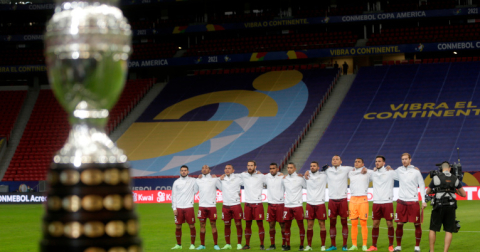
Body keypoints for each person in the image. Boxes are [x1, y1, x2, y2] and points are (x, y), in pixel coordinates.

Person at [426, 161, 466, 252]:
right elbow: (463, 194)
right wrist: (454, 190)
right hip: (451, 206)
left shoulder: (436, 177)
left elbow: (428, 192)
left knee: (433, 229)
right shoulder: (455, 178)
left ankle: (432, 251)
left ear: (441, 168)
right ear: (450, 168)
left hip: (438, 206)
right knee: (449, 230)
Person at [393, 153, 427, 252]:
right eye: (402, 159)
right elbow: (389, 174)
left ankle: (417, 246)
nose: (404, 161)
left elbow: (421, 185)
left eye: (406, 159)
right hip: (401, 201)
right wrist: (387, 169)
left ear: (410, 160)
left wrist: (423, 201)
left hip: (413, 202)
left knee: (417, 224)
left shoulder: (416, 172)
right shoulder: (399, 170)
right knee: (399, 224)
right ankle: (398, 246)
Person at [366, 156, 396, 252]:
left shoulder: (390, 172)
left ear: (384, 163)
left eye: (379, 161)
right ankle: (374, 245)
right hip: (376, 202)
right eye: (376, 161)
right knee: (375, 224)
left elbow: (402, 176)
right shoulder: (373, 173)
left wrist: (392, 169)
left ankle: (391, 245)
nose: (377, 163)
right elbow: (363, 173)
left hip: (387, 202)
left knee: (389, 223)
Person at [240, 160, 266, 250]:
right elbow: (232, 177)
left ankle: (262, 244)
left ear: (255, 166)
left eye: (251, 165)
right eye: (248, 165)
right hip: (247, 204)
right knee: (247, 225)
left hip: (257, 204)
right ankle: (247, 244)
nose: (249, 167)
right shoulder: (243, 175)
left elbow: (271, 180)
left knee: (260, 224)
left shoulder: (261, 176)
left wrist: (280, 174)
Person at [348, 158, 373, 251]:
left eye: (359, 162)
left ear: (363, 164)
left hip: (363, 199)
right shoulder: (350, 172)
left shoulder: (368, 172)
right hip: (353, 199)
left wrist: (388, 168)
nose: (356, 163)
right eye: (355, 161)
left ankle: (364, 244)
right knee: (353, 223)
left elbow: (377, 171)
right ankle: (354, 244)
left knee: (363, 223)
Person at [218, 164, 244, 250]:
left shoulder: (238, 178)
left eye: (229, 168)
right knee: (227, 225)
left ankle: (239, 244)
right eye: (225, 168)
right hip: (225, 205)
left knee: (238, 224)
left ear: (233, 170)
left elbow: (248, 179)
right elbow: (215, 182)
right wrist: (218, 178)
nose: (227, 170)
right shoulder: (221, 179)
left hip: (236, 205)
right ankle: (228, 244)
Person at [195, 165, 221, 250]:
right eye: (202, 168)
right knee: (202, 225)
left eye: (206, 168)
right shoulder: (198, 180)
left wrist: (217, 178)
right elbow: (194, 191)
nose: (204, 169)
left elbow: (221, 188)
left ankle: (216, 245)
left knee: (213, 225)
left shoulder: (214, 179)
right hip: (202, 206)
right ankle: (202, 245)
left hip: (212, 206)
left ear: (209, 170)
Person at [171, 165, 197, 250]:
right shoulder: (176, 182)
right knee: (178, 226)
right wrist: (174, 208)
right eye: (182, 170)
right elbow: (173, 196)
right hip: (179, 207)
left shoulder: (193, 180)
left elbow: (200, 183)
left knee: (191, 226)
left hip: (189, 206)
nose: (183, 172)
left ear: (188, 171)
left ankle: (192, 244)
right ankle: (179, 245)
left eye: (185, 170)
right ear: (180, 172)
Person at [282, 162, 306, 251]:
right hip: (287, 205)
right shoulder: (284, 179)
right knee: (287, 226)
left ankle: (301, 245)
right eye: (288, 167)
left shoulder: (300, 178)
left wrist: (304, 176)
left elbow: (307, 186)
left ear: (295, 169)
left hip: (298, 205)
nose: (289, 169)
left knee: (301, 226)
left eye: (291, 167)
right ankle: (288, 245)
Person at [304, 161, 328, 251]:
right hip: (310, 204)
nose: (312, 167)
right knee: (309, 225)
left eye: (314, 166)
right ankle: (309, 245)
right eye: (311, 166)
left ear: (318, 167)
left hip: (320, 203)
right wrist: (306, 172)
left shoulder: (323, 175)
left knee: (322, 224)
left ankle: (323, 245)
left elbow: (330, 169)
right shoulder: (307, 176)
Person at [265, 163, 286, 250]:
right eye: (270, 168)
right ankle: (272, 245)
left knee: (283, 225)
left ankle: (284, 244)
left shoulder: (282, 177)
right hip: (270, 205)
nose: (272, 170)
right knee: (271, 225)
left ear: (277, 169)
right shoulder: (266, 177)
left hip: (280, 204)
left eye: (273, 168)